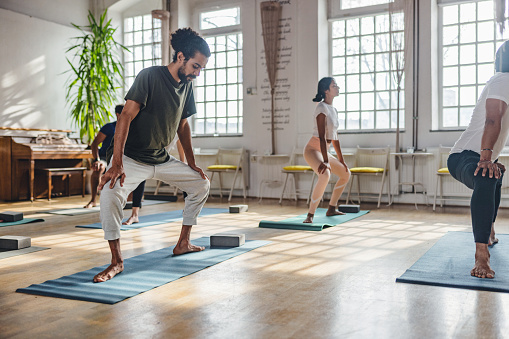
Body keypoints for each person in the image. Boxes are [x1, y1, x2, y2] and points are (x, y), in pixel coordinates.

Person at [93, 28, 211, 283]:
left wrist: (191, 163)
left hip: (160, 158)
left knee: (201, 184)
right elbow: (125, 115)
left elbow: (183, 125)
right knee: (110, 196)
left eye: (201, 68)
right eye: (195, 66)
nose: (197, 73)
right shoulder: (150, 76)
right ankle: (117, 261)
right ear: (180, 56)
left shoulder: (187, 86)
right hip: (132, 158)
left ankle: (183, 243)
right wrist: (116, 163)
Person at [448, 40, 509, 279]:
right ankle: (481, 256)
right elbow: (492, 119)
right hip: (463, 155)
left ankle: (490, 229)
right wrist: (486, 158)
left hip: (482, 154)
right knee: (486, 175)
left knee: (496, 173)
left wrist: (492, 160)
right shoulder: (502, 79)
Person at [84, 105, 145, 226]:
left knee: (141, 174)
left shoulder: (133, 128)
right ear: (118, 115)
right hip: (104, 158)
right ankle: (93, 200)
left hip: (123, 159)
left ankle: (134, 214)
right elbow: (95, 144)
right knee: (99, 168)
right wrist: (96, 159)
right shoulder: (109, 128)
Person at [303, 77, 350, 223]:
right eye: (334, 86)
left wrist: (342, 161)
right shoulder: (321, 107)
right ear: (326, 91)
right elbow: (322, 137)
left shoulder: (333, 110)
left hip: (324, 150)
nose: (337, 87)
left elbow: (335, 138)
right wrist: (325, 161)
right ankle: (310, 215)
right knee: (325, 174)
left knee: (346, 173)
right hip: (312, 149)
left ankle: (331, 208)